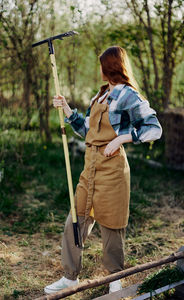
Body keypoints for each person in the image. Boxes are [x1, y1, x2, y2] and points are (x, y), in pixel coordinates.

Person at [44, 46, 162, 295]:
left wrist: (120, 140)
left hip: (113, 170)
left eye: (101, 64)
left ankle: (115, 279)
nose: (99, 69)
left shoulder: (128, 96)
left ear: (109, 66)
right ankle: (70, 277)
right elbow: (88, 130)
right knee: (75, 220)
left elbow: (155, 128)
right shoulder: (100, 96)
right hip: (91, 168)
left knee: (112, 225)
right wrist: (66, 109)